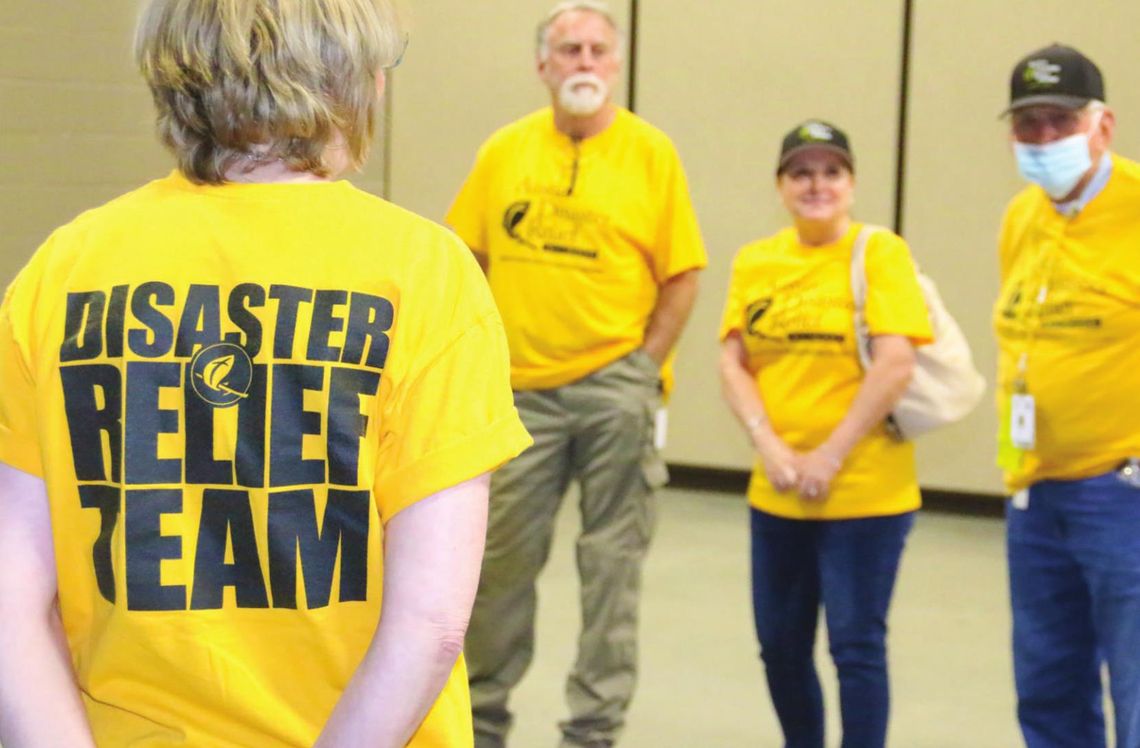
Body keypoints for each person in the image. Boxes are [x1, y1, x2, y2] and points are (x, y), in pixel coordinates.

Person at [0, 1, 532, 746]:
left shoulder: (65, 268)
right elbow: (433, 622)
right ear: (351, 81)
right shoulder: (423, 272)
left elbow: (11, 602)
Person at [445, 2, 707, 746]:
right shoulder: (504, 152)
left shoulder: (652, 154)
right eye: (568, 50)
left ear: (615, 64)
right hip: (519, 395)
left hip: (613, 392)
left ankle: (593, 727)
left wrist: (641, 367)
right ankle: (483, 720)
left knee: (611, 567)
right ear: (543, 66)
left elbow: (682, 274)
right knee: (499, 569)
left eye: (596, 49)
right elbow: (468, 260)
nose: (583, 62)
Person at [718, 121, 932, 748]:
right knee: (780, 647)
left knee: (856, 646)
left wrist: (829, 457)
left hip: (866, 493)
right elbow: (732, 360)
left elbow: (896, 361)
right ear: (781, 186)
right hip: (777, 489)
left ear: (853, 183)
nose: (817, 185)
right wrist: (772, 448)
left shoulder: (880, 251)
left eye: (831, 172)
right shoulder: (757, 260)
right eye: (802, 173)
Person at [995, 43, 1140, 748]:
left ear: (1102, 125)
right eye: (1029, 125)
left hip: (1123, 494)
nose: (1044, 138)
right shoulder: (1022, 218)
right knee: (1049, 691)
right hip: (1036, 492)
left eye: (1061, 121)